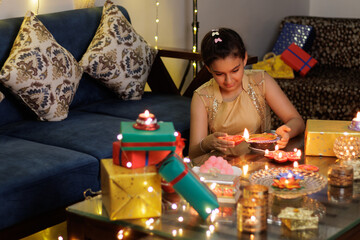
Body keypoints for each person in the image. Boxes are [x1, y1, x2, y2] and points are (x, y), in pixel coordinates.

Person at [189, 28, 305, 161]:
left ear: (244, 58)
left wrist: (287, 131)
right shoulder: (202, 97)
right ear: (208, 68)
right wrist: (205, 143)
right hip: (222, 170)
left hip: (260, 163)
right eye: (219, 74)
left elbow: (298, 121)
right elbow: (193, 155)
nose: (229, 80)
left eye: (235, 70)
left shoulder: (260, 81)